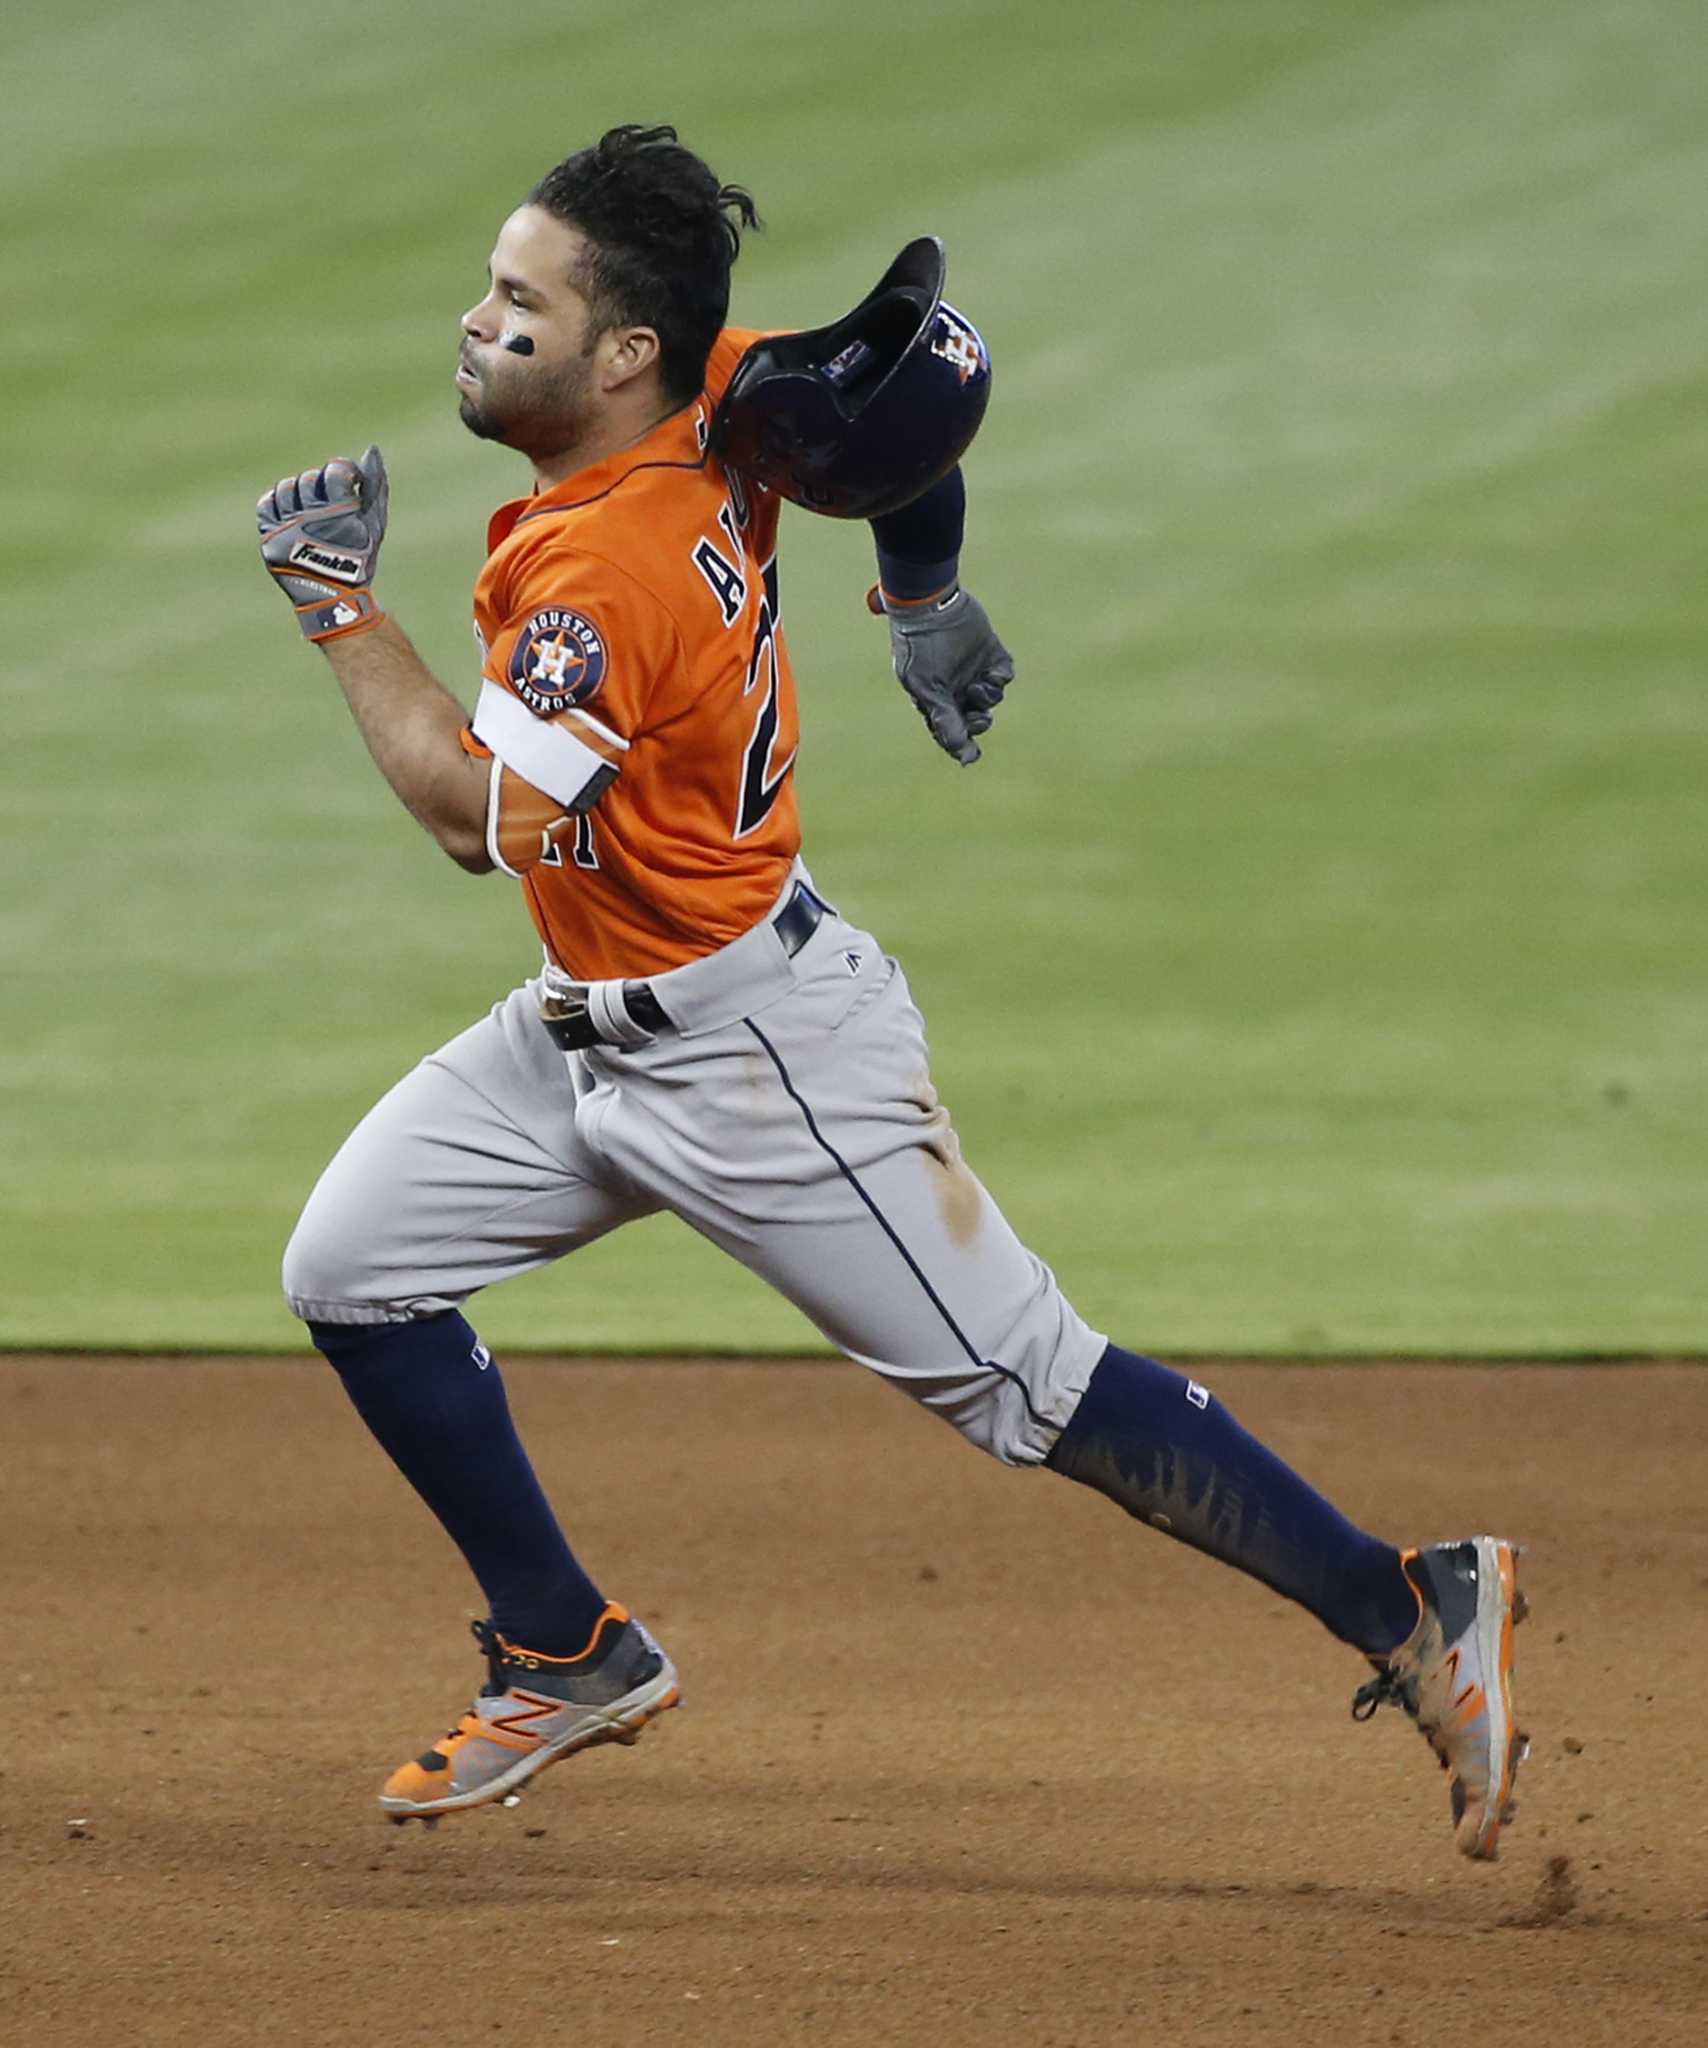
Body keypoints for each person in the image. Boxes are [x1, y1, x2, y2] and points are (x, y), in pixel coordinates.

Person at [257, 124, 1526, 1858]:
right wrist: (921, 586)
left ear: (623, 352)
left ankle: (1407, 1599)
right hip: (586, 1030)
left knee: (1032, 1384)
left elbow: (479, 819)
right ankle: (569, 1649)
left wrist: (341, 608)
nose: (477, 323)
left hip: (759, 1059)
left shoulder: (607, 570)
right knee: (353, 1267)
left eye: (516, 302)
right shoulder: (725, 386)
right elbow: (907, 404)